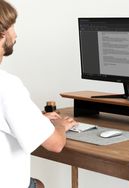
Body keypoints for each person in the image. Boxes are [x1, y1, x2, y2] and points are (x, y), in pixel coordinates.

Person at [0, 1, 77, 187]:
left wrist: (36, 119)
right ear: (1, 34)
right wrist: (59, 125)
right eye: (12, 27)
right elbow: (55, 144)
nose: (16, 34)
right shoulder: (8, 85)